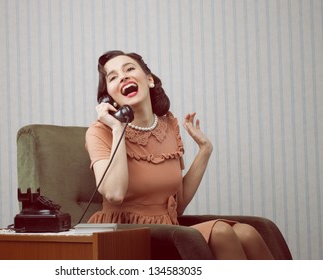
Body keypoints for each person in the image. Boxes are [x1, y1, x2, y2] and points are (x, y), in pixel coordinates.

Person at [85, 50, 274, 260]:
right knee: (220, 231)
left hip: (169, 230)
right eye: (112, 77)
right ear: (109, 97)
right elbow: (114, 194)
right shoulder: (100, 132)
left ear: (149, 80)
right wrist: (118, 128)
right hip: (123, 233)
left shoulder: (168, 126)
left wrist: (205, 150)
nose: (123, 76)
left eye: (129, 69)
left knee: (247, 233)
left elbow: (179, 204)